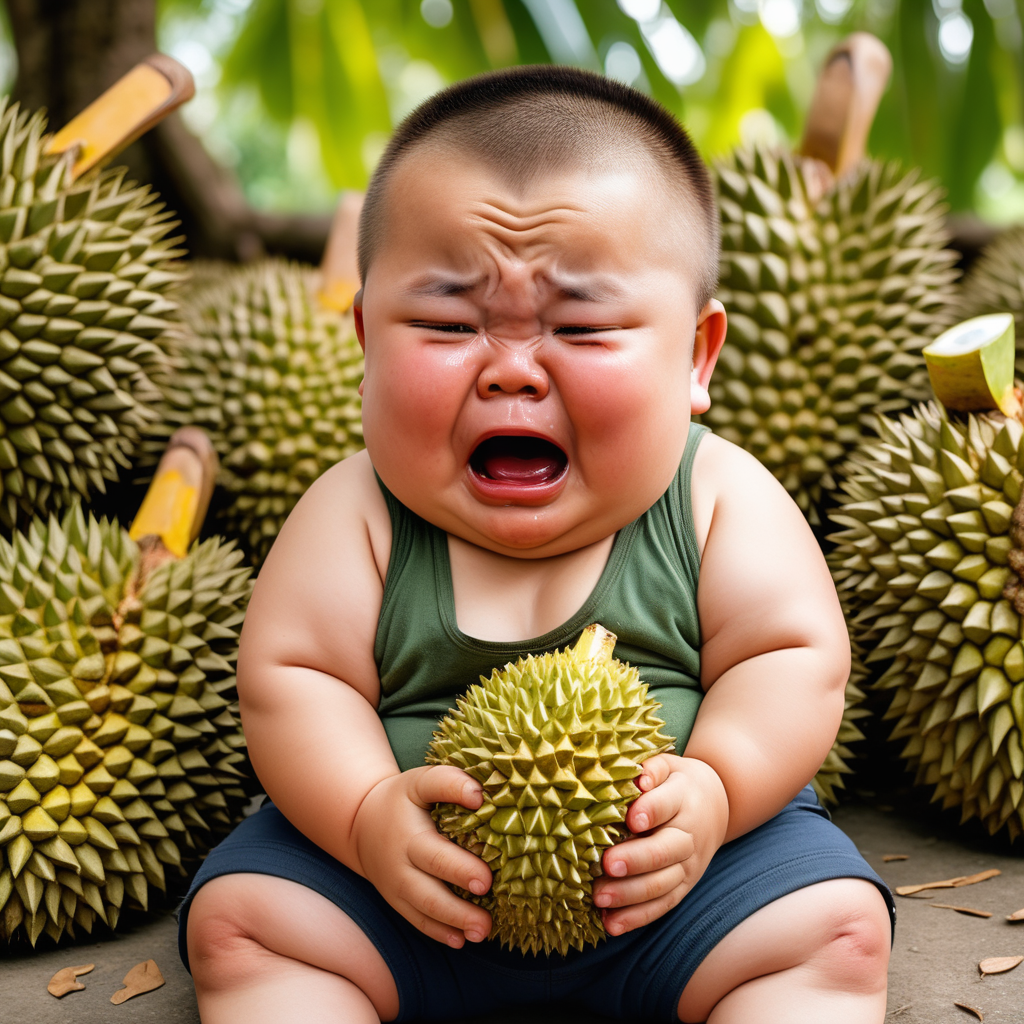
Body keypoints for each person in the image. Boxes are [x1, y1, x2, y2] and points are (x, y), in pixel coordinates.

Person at [178, 66, 895, 1024]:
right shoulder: (356, 509)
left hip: (677, 895)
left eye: (583, 328)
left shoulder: (716, 493)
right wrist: (360, 818)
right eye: (445, 323)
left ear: (696, 357)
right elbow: (290, 681)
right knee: (243, 923)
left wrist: (719, 787)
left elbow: (796, 659)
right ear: (362, 340)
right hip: (405, 902)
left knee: (835, 928)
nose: (511, 372)